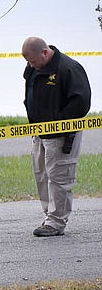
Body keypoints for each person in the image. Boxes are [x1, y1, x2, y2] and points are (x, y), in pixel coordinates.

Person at [21, 36, 91, 237]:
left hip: (61, 135)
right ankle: (49, 216)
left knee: (59, 178)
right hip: (40, 134)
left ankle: (56, 222)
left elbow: (81, 102)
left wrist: (59, 121)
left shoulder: (68, 68)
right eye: (29, 63)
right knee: (42, 175)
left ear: (45, 52)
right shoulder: (34, 68)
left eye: (34, 61)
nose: (31, 66)